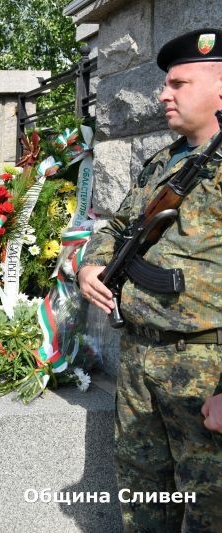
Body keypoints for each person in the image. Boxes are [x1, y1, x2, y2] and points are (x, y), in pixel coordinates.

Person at [78, 28, 222, 532]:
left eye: (178, 84)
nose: (163, 94)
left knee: (210, 509)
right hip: (141, 359)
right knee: (142, 497)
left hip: (205, 368)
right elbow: (117, 226)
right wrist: (90, 265)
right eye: (165, 84)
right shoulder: (164, 160)